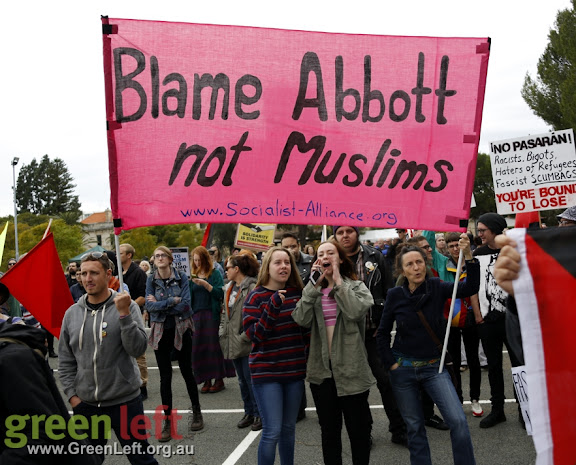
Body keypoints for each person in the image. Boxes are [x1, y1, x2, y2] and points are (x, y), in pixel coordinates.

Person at [377, 235, 479, 465]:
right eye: (410, 264)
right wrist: (391, 364)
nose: (416, 267)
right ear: (402, 269)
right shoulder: (395, 295)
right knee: (414, 428)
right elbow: (382, 333)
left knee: (458, 422)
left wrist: (470, 258)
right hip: (403, 371)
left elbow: (470, 287)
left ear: (426, 263)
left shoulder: (437, 286)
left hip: (435, 368)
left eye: (419, 262)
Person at [58, 251, 158, 465]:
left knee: (143, 460)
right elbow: (65, 361)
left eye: (94, 272)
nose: (87, 278)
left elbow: (137, 348)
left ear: (108, 274)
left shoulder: (127, 306)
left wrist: (124, 316)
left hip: (125, 402)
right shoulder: (72, 313)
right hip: (86, 404)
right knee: (87, 462)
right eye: (83, 273)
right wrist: (73, 397)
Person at [292, 240, 375, 465]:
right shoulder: (313, 290)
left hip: (352, 370)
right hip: (322, 373)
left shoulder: (356, 286)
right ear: (316, 260)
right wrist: (312, 285)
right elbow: (300, 318)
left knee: (358, 432)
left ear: (339, 258)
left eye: (331, 252)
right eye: (321, 253)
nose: (326, 256)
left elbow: (356, 311)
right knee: (329, 433)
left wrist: (338, 281)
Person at [333, 225, 407, 446]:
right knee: (357, 387)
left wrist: (384, 324)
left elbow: (389, 291)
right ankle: (364, 432)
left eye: (349, 231)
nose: (345, 235)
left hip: (374, 331)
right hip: (347, 336)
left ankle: (399, 428)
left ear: (357, 233)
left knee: (387, 381)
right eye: (340, 232)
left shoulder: (374, 256)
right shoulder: (331, 259)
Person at [242, 246, 307, 465]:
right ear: (267, 267)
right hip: (266, 373)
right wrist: (273, 306)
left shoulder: (299, 293)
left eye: (287, 262)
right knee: (272, 431)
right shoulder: (255, 297)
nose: (284, 267)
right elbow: (256, 335)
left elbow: (306, 331)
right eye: (278, 262)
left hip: (294, 371)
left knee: (289, 430)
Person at [422, 230, 483, 416]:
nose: (456, 249)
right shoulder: (442, 262)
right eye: (451, 246)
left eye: (458, 245)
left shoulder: (472, 260)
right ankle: (457, 399)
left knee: (474, 360)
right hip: (450, 320)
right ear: (447, 248)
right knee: (454, 362)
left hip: (471, 317)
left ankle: (475, 399)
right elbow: (429, 241)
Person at [145, 246, 204, 440]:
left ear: (170, 259)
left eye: (163, 255)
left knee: (187, 371)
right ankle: (168, 421)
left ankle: (196, 411)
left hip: (181, 329)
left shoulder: (182, 278)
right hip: (161, 331)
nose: (159, 258)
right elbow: (150, 306)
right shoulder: (150, 279)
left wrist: (161, 304)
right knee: (165, 376)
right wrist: (171, 301)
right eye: (157, 256)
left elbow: (186, 305)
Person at [473, 212, 522, 428]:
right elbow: (474, 286)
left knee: (519, 366)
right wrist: (478, 315)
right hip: (487, 320)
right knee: (493, 366)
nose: (480, 234)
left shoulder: (513, 251)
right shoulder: (477, 253)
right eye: (479, 230)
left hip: (514, 318)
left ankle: (525, 408)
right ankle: (498, 410)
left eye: (483, 230)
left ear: (494, 229)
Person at [220, 253, 262, 431]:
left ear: (237, 269)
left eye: (228, 267)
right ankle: (249, 412)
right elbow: (225, 313)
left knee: (251, 380)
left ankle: (260, 413)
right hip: (232, 340)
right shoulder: (229, 287)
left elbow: (257, 314)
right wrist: (222, 331)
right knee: (242, 380)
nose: (225, 271)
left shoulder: (252, 287)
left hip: (246, 341)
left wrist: (245, 336)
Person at [190, 246, 234, 393]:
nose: (197, 263)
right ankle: (206, 378)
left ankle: (218, 378)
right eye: (195, 260)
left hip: (211, 313)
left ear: (205, 259)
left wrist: (206, 285)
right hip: (197, 315)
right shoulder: (192, 275)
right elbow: (190, 297)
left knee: (213, 347)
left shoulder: (214, 274)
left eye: (199, 260)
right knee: (199, 347)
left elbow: (221, 293)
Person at [280, 232, 312, 421]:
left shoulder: (309, 262)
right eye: (287, 247)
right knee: (291, 366)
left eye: (293, 246)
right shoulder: (282, 264)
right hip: (288, 315)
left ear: (299, 245)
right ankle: (297, 408)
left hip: (307, 316)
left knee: (305, 365)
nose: (291, 250)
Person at [120, 243, 150, 401]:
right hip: (120, 315)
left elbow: (143, 296)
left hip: (134, 313)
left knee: (139, 352)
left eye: (121, 253)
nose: (118, 255)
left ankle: (143, 385)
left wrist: (128, 305)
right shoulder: (119, 273)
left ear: (129, 255)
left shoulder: (138, 272)